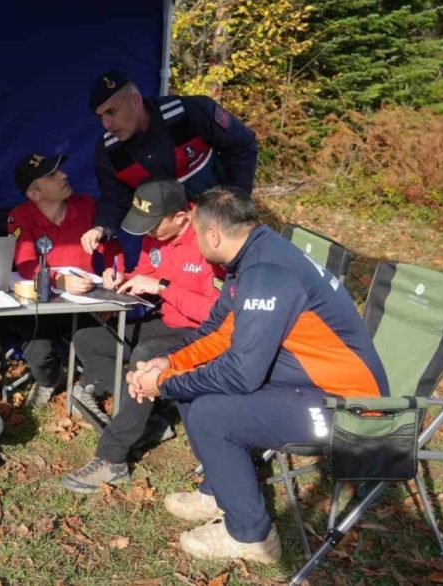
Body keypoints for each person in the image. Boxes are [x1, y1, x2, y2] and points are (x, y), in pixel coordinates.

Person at [127, 187, 387, 563]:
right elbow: (219, 331)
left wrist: (163, 384)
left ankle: (251, 536)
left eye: (198, 234)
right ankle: (220, 489)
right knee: (192, 389)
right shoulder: (253, 256)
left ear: (213, 235)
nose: (197, 242)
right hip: (308, 384)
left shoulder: (267, 274)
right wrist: (169, 363)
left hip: (355, 411)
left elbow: (242, 375)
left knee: (211, 414)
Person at [60, 178, 223, 493]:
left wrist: (163, 289)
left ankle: (113, 457)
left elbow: (218, 314)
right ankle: (149, 420)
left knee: (145, 355)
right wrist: (122, 278)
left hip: (203, 333)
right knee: (88, 340)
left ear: (180, 217)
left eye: (152, 226)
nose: (148, 233)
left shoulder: (210, 241)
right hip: (170, 321)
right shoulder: (157, 234)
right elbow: (147, 270)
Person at [0, 153, 112, 405]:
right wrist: (58, 280)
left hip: (89, 303)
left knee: (106, 345)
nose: (64, 175)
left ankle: (93, 390)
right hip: (45, 304)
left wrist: (111, 271)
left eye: (60, 170)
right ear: (34, 193)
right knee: (39, 352)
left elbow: (111, 244)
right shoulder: (18, 215)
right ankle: (51, 380)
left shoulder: (87, 205)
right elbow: (26, 263)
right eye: (52, 175)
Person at [79, 69, 258, 258]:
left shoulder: (190, 112)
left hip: (221, 227)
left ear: (136, 100)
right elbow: (114, 198)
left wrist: (236, 202)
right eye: (101, 116)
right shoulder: (109, 151)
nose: (106, 124)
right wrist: (101, 227)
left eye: (111, 112)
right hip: (169, 243)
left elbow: (242, 145)